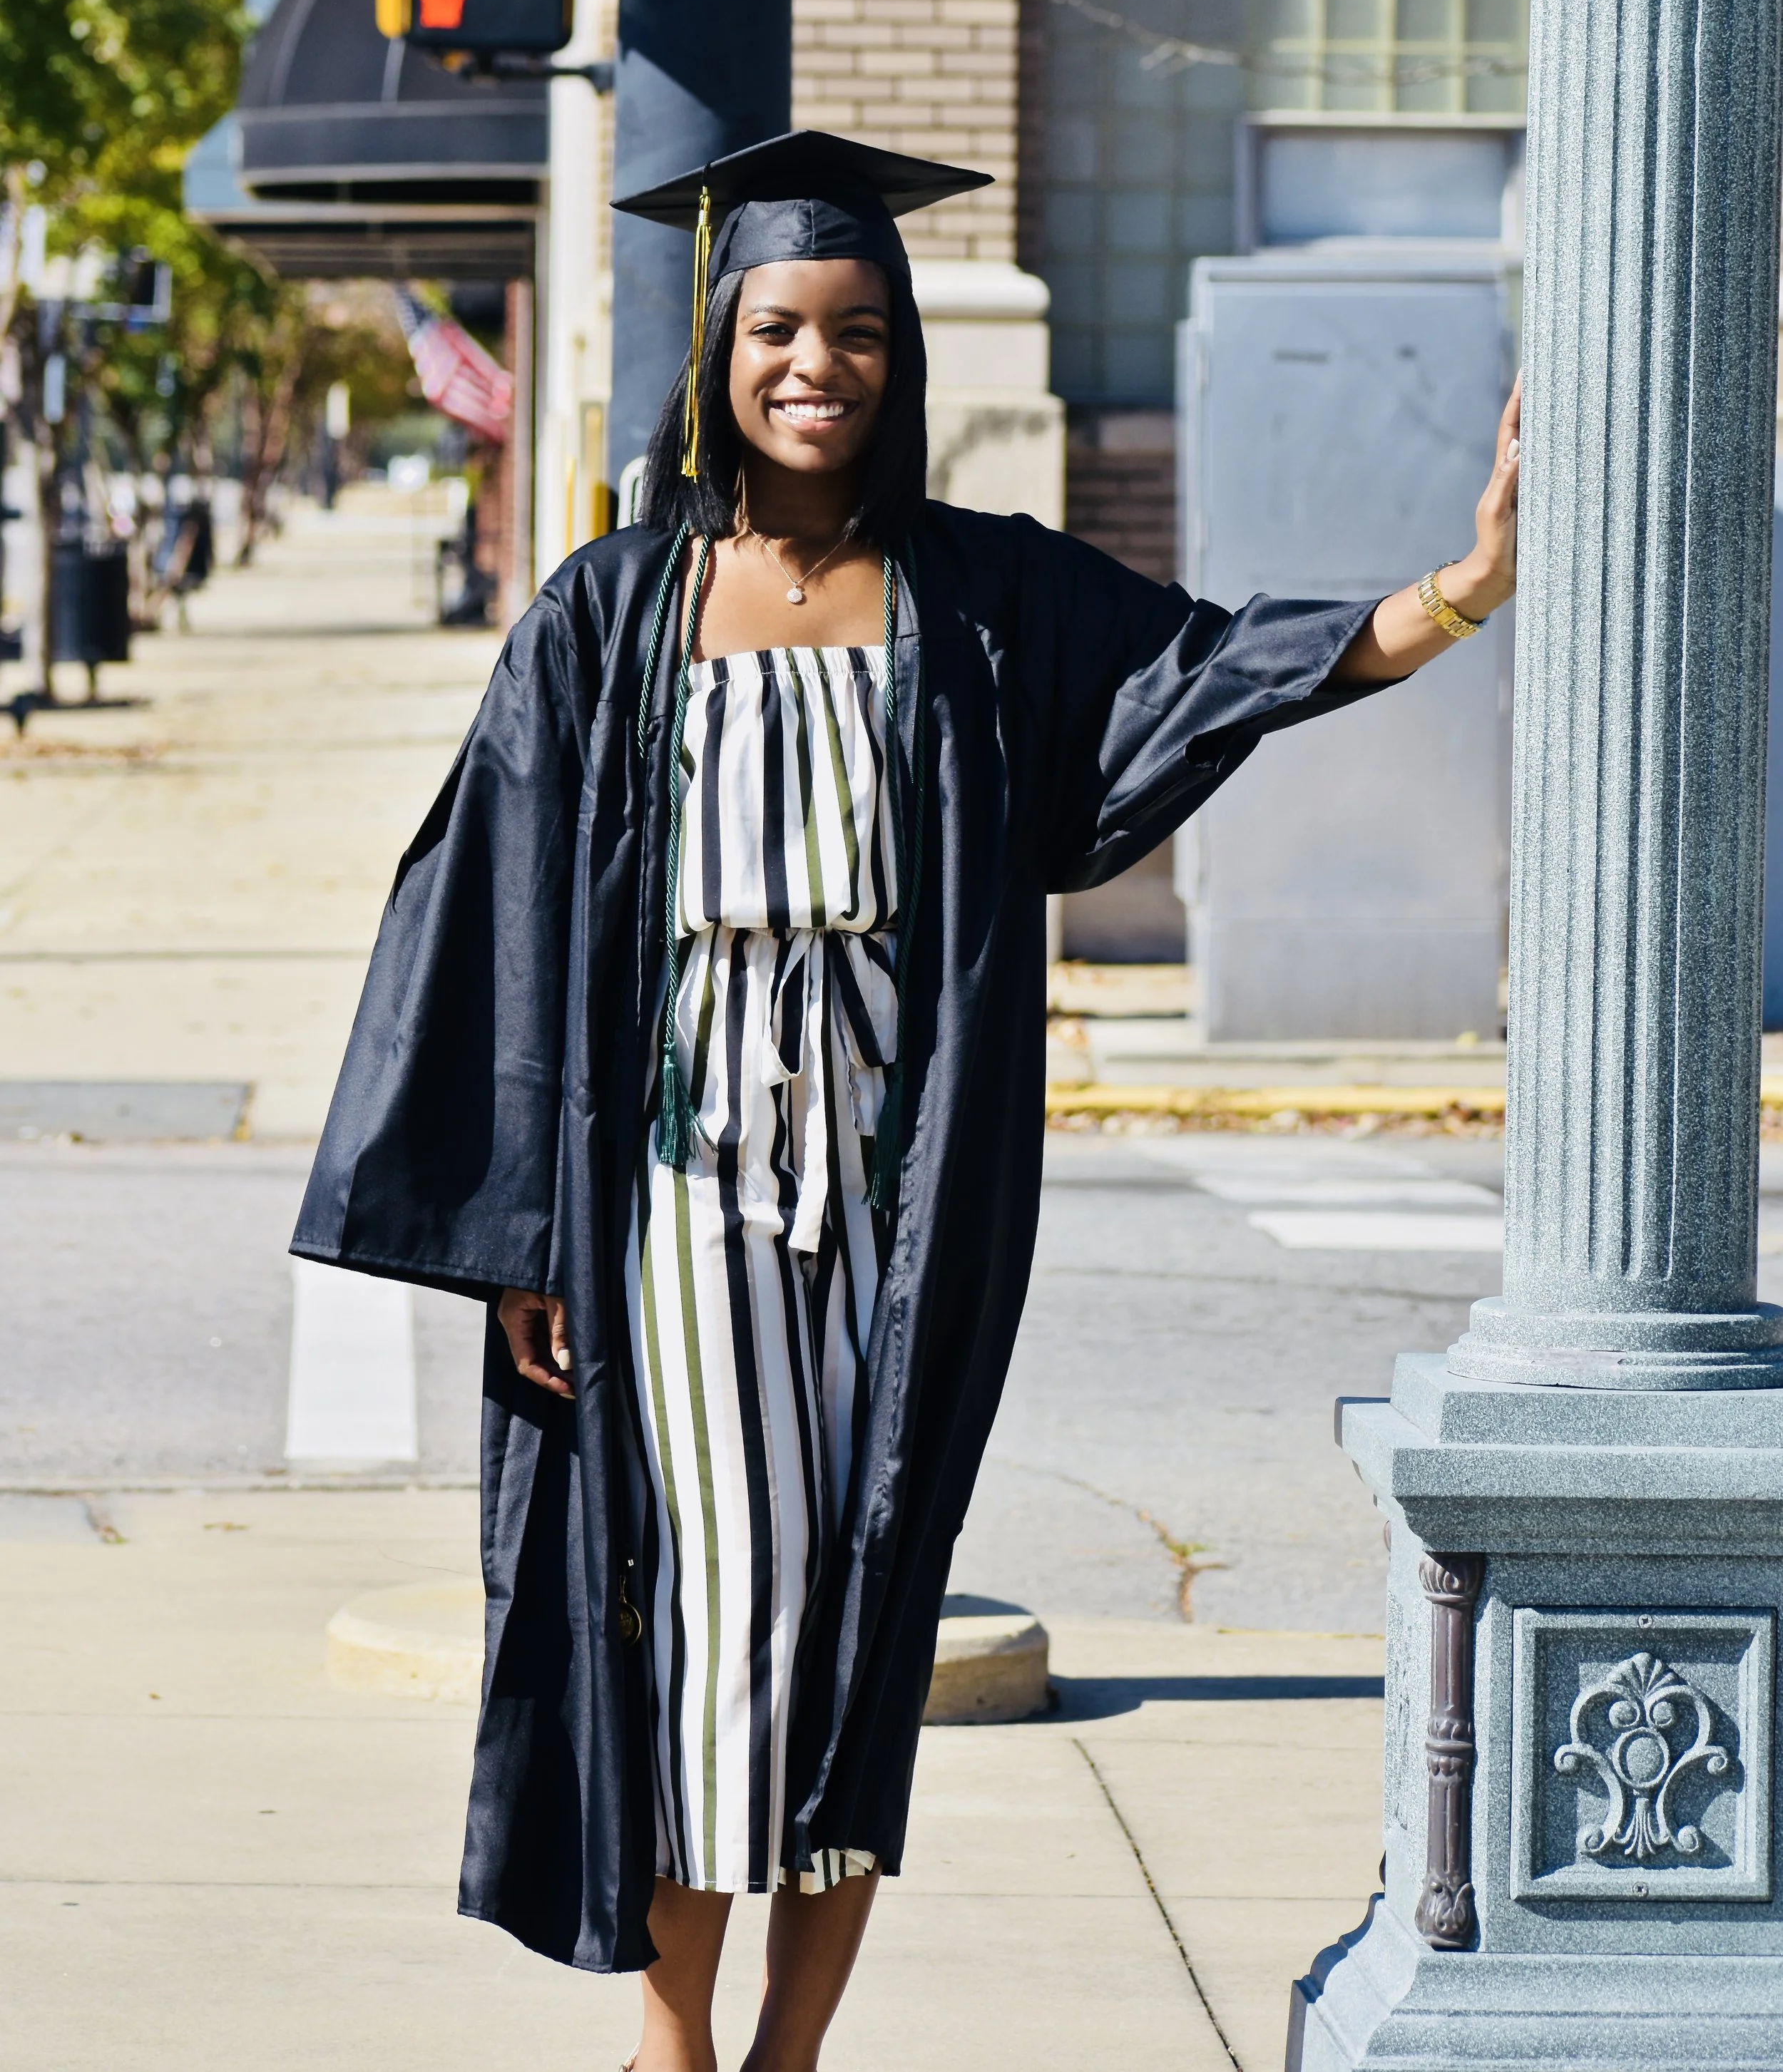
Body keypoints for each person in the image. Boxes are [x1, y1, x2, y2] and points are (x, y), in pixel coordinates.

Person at [292, 131, 1520, 2072]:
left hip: (893, 1206)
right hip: (671, 1205)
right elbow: (488, 919)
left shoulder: (976, 598)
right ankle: (675, 2038)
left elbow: (1217, 677)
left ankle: (789, 2050)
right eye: (779, 324)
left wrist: (1457, 591)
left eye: (858, 330)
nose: (818, 364)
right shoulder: (611, 616)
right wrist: (519, 1233)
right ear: (718, 348)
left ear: (901, 357)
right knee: (691, 1604)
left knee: (852, 1606)